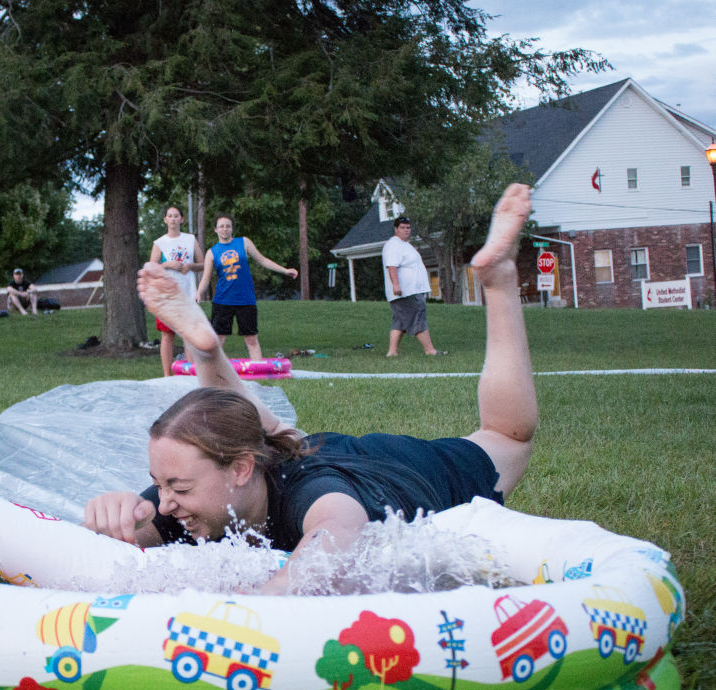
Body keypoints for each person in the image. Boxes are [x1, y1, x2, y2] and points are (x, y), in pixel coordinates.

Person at [85, 184, 537, 594]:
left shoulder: (319, 497)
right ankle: (207, 355)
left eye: (177, 488)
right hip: (296, 449)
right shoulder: (189, 496)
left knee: (507, 436)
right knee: (276, 434)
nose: (165, 503)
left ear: (239, 470)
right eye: (157, 485)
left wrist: (244, 605)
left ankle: (499, 282)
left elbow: (329, 549)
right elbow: (104, 553)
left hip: (395, 471)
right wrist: (116, 519)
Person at [197, 213, 297, 361]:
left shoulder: (243, 242)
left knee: (251, 339)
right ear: (215, 230)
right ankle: (214, 374)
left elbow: (263, 260)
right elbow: (205, 278)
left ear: (232, 228)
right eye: (221, 226)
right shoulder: (211, 252)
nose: (225, 229)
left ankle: (258, 373)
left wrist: (284, 270)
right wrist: (198, 293)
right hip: (222, 301)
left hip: (245, 299)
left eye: (228, 226)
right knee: (218, 340)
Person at [148, 205, 204, 376]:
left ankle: (190, 373)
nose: (173, 219)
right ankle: (167, 375)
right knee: (167, 335)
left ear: (182, 219)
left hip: (187, 292)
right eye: (170, 216)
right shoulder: (160, 243)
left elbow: (203, 264)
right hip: (167, 294)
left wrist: (191, 266)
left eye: (176, 216)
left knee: (188, 335)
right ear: (165, 219)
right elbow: (151, 268)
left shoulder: (190, 239)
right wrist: (166, 264)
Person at [382, 215, 443, 356]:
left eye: (408, 227)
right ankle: (430, 350)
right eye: (402, 228)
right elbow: (392, 266)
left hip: (409, 291)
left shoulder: (405, 245)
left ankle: (392, 352)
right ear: (396, 229)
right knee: (417, 316)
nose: (406, 230)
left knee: (399, 321)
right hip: (406, 291)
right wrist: (396, 285)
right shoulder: (394, 245)